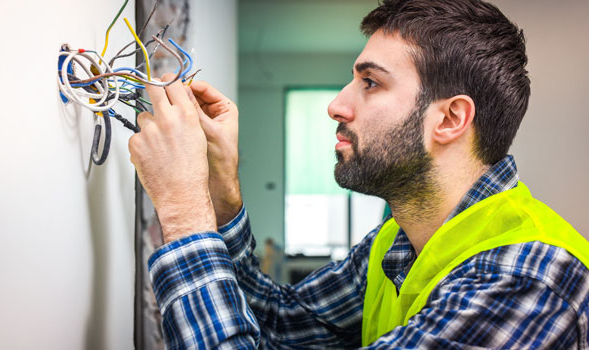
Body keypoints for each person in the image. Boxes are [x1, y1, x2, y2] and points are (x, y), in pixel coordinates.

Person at [128, 0, 589, 348]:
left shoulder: (526, 283)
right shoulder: (396, 244)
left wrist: (184, 209)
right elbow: (280, 321)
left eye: (371, 83)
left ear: (449, 120)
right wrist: (220, 190)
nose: (336, 105)